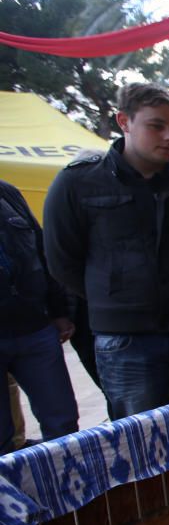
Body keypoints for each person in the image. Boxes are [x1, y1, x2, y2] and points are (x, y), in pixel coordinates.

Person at [43, 83, 169, 420]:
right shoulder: (77, 185)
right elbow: (61, 261)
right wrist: (115, 298)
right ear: (124, 121)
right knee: (142, 446)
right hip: (125, 341)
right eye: (157, 126)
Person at [1, 179, 79, 452]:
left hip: (34, 327)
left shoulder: (7, 193)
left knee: (64, 425)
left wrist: (58, 311)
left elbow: (41, 251)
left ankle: (70, 488)